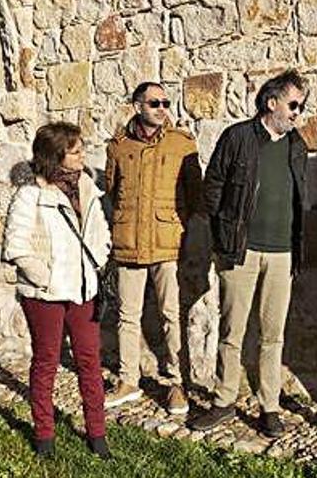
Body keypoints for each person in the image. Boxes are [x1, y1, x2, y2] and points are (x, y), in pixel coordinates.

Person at [189, 69, 309, 438]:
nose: (297, 113)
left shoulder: (297, 145)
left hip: (282, 254)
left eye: (301, 106)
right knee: (232, 330)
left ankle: (269, 406)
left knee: (273, 335)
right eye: (293, 105)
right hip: (240, 252)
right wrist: (223, 235)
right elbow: (213, 189)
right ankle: (224, 401)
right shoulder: (238, 137)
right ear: (271, 102)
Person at [3, 122, 112, 459]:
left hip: (83, 291)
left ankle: (97, 434)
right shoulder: (29, 195)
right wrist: (45, 278)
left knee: (90, 362)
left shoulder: (88, 188)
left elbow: (101, 232)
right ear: (56, 156)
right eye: (75, 150)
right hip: (44, 294)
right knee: (46, 362)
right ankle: (45, 436)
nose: (83, 155)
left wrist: (101, 256)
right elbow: (15, 247)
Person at [103, 82, 201, 415]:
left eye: (166, 102)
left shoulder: (182, 144)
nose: (162, 108)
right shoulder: (118, 147)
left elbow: (194, 194)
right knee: (127, 315)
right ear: (137, 106)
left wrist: (184, 229)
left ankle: (175, 383)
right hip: (129, 241)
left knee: (171, 315)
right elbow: (112, 190)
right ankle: (128, 380)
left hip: (167, 243)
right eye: (154, 102)